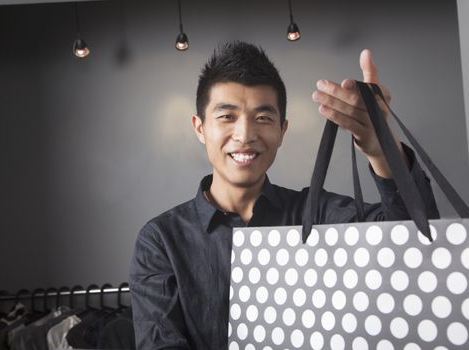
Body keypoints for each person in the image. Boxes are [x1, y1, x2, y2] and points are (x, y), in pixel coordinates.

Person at [129, 41, 439, 349]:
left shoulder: (315, 214)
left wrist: (380, 146)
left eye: (263, 118)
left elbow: (416, 243)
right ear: (200, 128)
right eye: (227, 117)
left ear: (282, 130)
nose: (246, 135)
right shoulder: (161, 240)